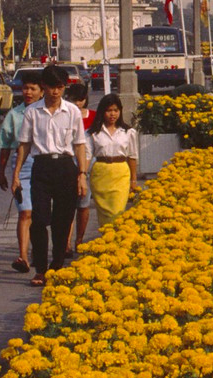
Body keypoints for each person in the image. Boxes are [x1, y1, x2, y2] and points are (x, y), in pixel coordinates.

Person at [11, 64, 89, 286]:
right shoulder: (32, 112)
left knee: (62, 222)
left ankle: (57, 267)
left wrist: (82, 175)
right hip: (41, 168)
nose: (55, 92)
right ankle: (41, 270)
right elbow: (24, 145)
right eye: (52, 87)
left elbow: (80, 145)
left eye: (60, 87)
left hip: (65, 167)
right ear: (43, 86)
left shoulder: (72, 111)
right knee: (38, 220)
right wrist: (16, 175)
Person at [0, 69, 42, 274]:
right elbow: (5, 145)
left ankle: (40, 251)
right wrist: (2, 172)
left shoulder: (46, 113)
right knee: (25, 211)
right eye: (25, 88)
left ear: (42, 91)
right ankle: (23, 256)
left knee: (41, 214)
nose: (28, 92)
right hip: (21, 166)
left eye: (33, 89)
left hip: (43, 163)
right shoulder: (14, 115)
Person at [86, 93, 139, 230]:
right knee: (104, 213)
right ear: (102, 111)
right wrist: (81, 175)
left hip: (121, 173)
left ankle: (117, 238)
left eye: (116, 110)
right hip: (100, 174)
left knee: (117, 211)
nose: (112, 114)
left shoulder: (128, 132)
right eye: (109, 110)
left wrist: (133, 180)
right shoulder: (93, 133)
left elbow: (132, 156)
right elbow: (87, 156)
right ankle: (106, 238)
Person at [64, 83, 96, 258]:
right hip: (68, 164)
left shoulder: (94, 117)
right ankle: (66, 243)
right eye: (74, 100)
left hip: (88, 165)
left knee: (83, 205)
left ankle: (79, 240)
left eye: (81, 100)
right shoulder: (64, 115)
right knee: (68, 205)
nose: (77, 103)